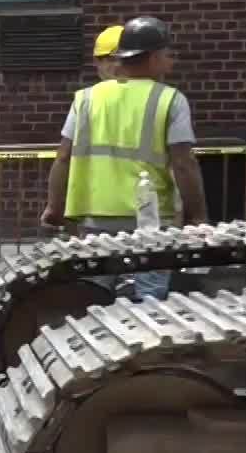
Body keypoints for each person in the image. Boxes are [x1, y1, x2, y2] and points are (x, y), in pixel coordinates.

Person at [41, 16, 209, 301]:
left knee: (93, 297)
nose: (172, 62)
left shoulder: (86, 99)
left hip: (96, 218)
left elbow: (63, 158)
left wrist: (54, 208)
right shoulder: (170, 99)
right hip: (151, 220)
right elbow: (183, 163)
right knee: (149, 300)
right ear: (153, 58)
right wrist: (198, 215)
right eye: (168, 55)